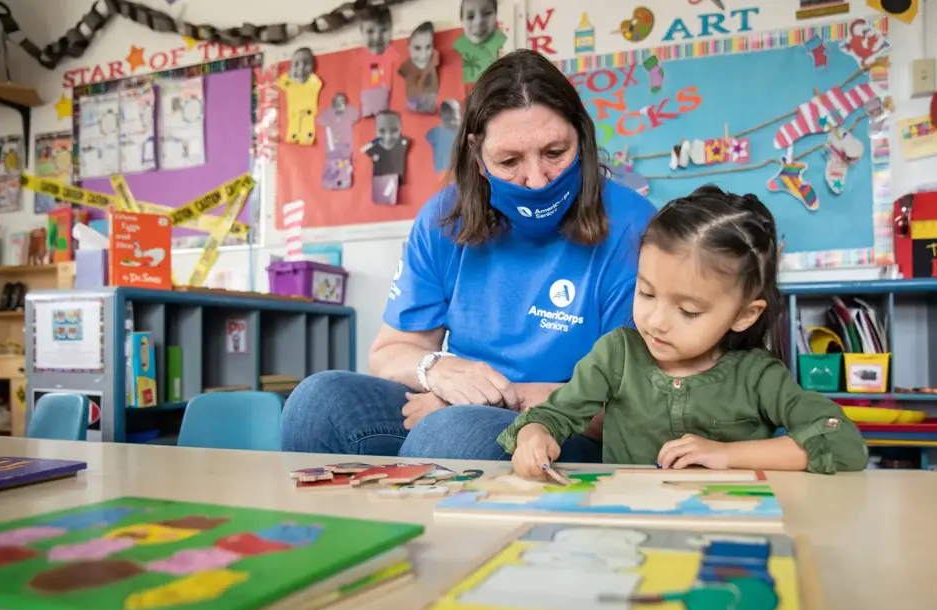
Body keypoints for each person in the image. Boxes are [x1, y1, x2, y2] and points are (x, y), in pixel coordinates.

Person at [281, 49, 657, 460]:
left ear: (582, 138)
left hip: (568, 423)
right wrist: (437, 371)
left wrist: (494, 399)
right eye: (509, 161)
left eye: (555, 153)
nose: (535, 181)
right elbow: (391, 351)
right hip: (455, 405)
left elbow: (641, 397)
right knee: (317, 403)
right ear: (477, 157)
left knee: (451, 435)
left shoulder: (634, 226)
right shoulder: (444, 217)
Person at [499, 185, 868, 476]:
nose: (657, 320)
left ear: (744, 315)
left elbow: (842, 440)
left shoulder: (758, 376)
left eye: (688, 310)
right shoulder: (617, 355)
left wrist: (727, 455)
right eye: (645, 292)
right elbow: (553, 416)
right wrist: (535, 435)